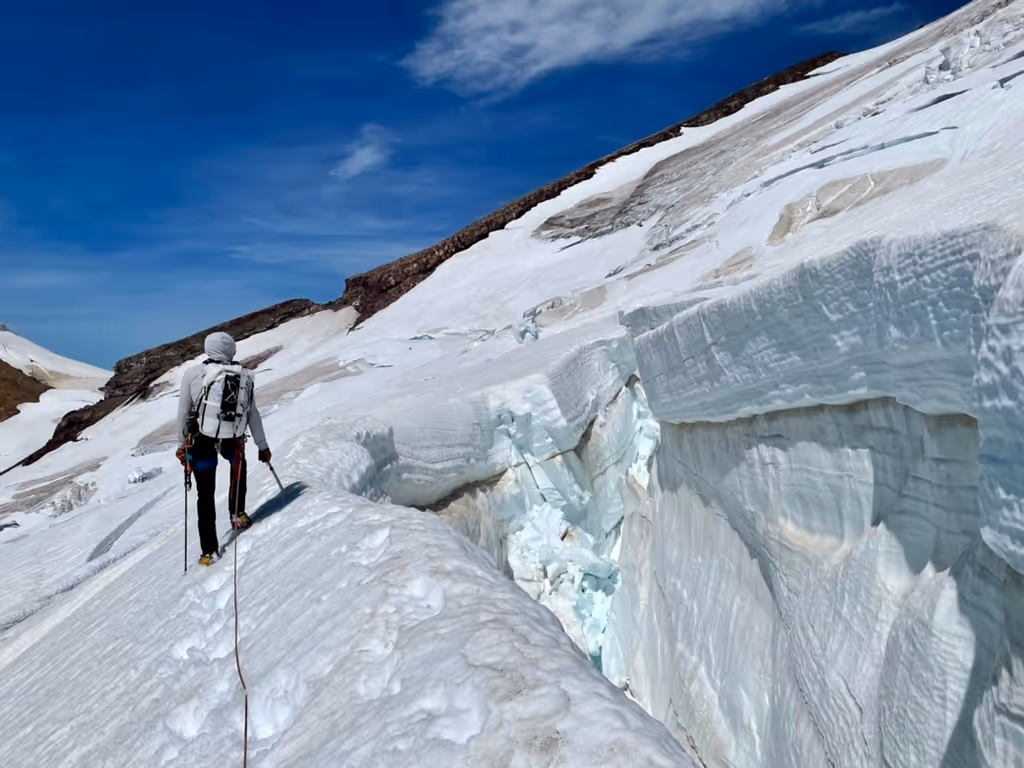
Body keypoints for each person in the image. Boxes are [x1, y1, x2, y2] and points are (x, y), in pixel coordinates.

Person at [175, 331, 272, 566]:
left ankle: (208, 551)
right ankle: (237, 513)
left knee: (205, 495)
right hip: (233, 437)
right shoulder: (244, 376)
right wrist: (262, 446)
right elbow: (252, 414)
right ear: (232, 350)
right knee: (238, 467)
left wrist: (181, 445)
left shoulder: (194, 374)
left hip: (201, 439)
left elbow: (183, 412)